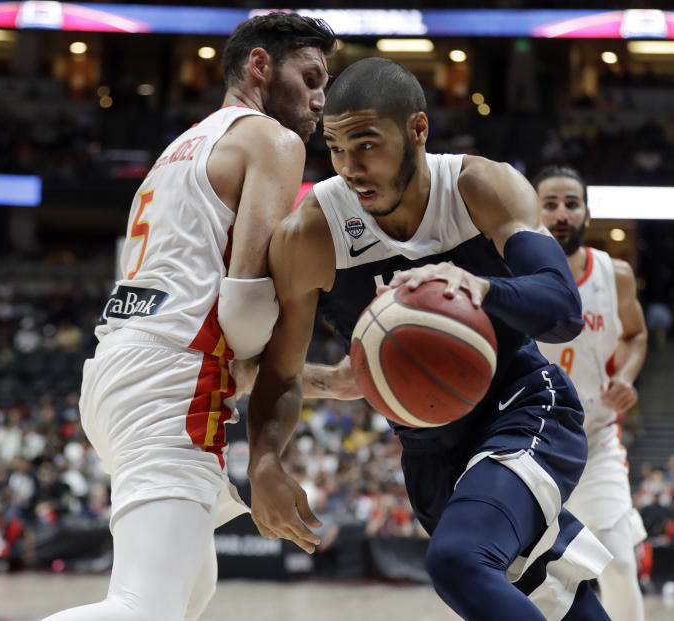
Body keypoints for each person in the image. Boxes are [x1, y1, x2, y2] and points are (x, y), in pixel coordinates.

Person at [247, 57, 612, 620]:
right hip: (428, 453)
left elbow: (561, 310)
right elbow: (279, 371)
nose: (350, 167)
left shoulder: (478, 186)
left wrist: (479, 287)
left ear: (417, 130)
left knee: (460, 562)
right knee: (554, 598)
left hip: (522, 408)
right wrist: (265, 461)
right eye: (337, 149)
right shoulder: (310, 233)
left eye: (367, 144)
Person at [42, 13, 337, 621]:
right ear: (260, 66)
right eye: (309, 77)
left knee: (187, 596)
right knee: (143, 610)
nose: (320, 99)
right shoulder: (272, 140)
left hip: (121, 371)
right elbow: (244, 315)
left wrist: (322, 380)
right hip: (172, 385)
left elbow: (204, 317)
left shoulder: (177, 150)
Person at [532, 165, 650, 621]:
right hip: (529, 443)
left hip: (594, 439)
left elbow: (635, 335)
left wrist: (628, 376)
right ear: (534, 212)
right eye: (550, 204)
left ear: (586, 213)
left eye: (571, 203)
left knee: (619, 562)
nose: (561, 213)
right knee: (518, 574)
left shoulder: (614, 273)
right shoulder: (512, 272)